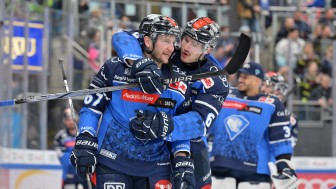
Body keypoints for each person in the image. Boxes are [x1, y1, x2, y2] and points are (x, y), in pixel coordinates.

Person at [70, 14, 200, 189]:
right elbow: (92, 107)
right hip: (111, 163)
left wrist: (182, 157)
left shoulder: (180, 81)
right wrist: (85, 138)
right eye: (166, 41)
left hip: (157, 170)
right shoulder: (114, 67)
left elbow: (179, 125)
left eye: (173, 41)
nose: (171, 48)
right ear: (147, 41)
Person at [113, 17, 229, 189]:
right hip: (148, 127)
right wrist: (139, 63)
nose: (186, 47)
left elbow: (200, 122)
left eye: (195, 44)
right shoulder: (169, 48)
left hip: (187, 141)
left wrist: (167, 124)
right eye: (186, 39)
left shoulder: (216, 81)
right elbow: (121, 37)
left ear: (208, 49)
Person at [208, 62, 299, 189]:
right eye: (240, 76)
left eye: (245, 77)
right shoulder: (224, 94)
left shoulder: (272, 103)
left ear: (257, 80)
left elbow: (280, 139)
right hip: (221, 166)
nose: (240, 79)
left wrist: (284, 165)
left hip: (256, 171)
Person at [262, 72, 299, 148]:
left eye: (267, 86)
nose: (263, 89)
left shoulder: (290, 118)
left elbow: (288, 146)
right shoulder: (254, 108)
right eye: (262, 85)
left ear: (278, 90)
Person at [54, 107, 86, 189]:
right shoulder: (61, 136)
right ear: (64, 121)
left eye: (72, 118)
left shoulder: (84, 133)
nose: (70, 121)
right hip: (69, 174)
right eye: (67, 119)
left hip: (84, 172)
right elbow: (60, 154)